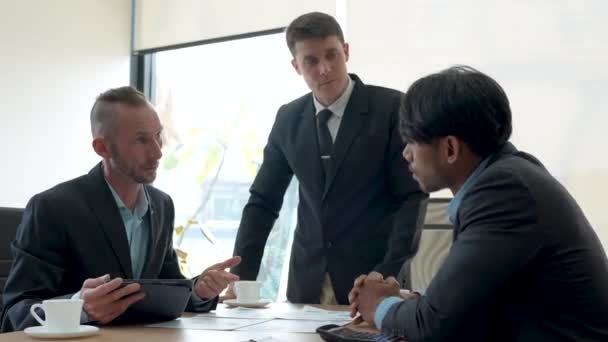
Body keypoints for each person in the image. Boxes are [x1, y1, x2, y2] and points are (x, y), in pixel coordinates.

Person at [349, 66, 608, 341]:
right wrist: (407, 300)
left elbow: (435, 326)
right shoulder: (510, 175)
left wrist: (378, 307)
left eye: (412, 140)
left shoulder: (503, 193)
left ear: (450, 148)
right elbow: (471, 302)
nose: (405, 153)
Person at [1, 86, 241, 331]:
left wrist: (199, 289)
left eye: (158, 135)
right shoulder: (53, 208)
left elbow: (164, 290)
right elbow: (14, 314)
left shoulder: (161, 205)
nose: (157, 151)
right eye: (140, 140)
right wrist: (80, 308)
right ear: (102, 148)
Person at [228, 11, 427, 305]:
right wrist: (240, 278)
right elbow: (263, 202)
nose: (325, 69)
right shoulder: (288, 119)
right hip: (306, 283)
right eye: (311, 61)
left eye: (332, 55)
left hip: (374, 281)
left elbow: (411, 198)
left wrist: (385, 273)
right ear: (297, 66)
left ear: (346, 51)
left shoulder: (392, 108)